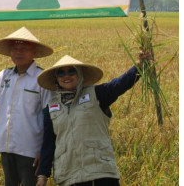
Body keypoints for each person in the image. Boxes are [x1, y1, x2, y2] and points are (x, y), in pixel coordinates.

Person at [36, 54, 142, 186]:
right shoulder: (51, 108)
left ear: (80, 75)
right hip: (68, 177)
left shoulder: (97, 94)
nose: (66, 76)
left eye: (72, 71)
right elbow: (49, 143)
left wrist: (140, 65)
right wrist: (42, 176)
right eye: (61, 73)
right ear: (56, 79)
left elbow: (120, 84)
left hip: (101, 174)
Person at [0, 27, 54, 186]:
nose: (18, 52)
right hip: (6, 147)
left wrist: (44, 150)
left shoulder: (42, 78)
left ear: (34, 52)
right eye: (14, 49)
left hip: (31, 150)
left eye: (24, 49)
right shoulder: (4, 75)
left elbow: (51, 118)